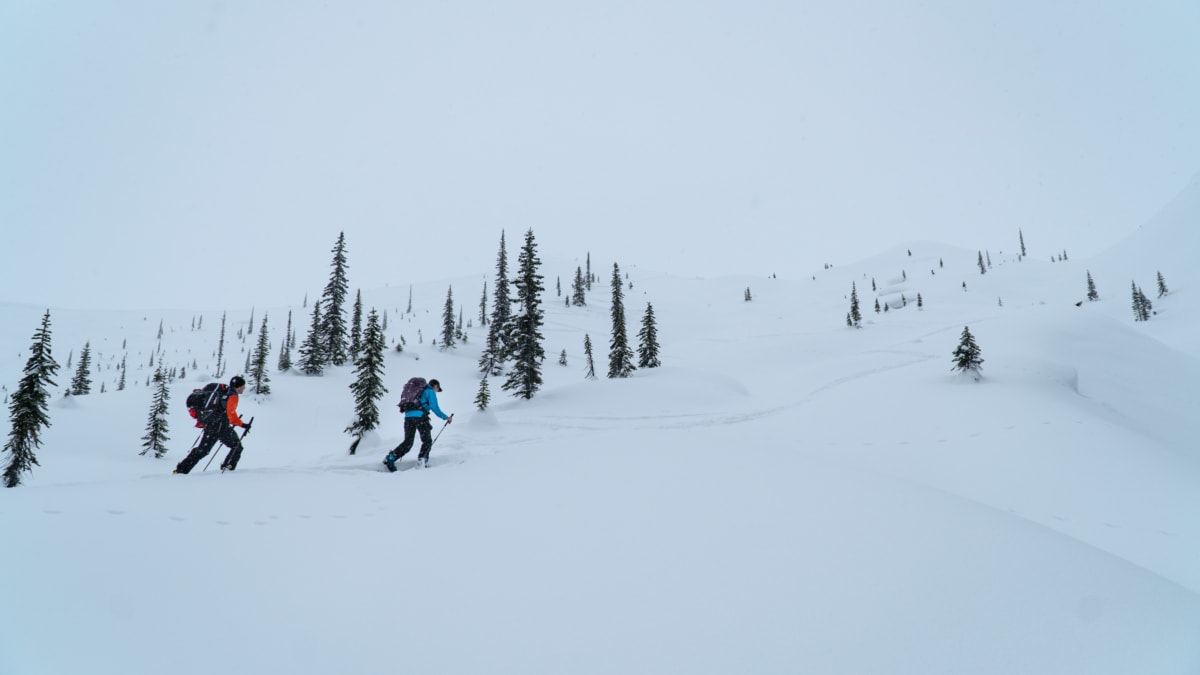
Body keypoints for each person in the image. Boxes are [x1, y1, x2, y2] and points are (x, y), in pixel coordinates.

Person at [174, 375, 252, 474]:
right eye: (243, 386)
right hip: (221, 426)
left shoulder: (224, 393)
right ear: (238, 386)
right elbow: (231, 414)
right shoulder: (232, 396)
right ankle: (228, 467)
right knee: (236, 446)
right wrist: (243, 424)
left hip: (211, 424)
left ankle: (181, 469)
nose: (244, 388)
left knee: (203, 450)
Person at [384, 378, 452, 471]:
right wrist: (446, 417)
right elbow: (434, 407)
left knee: (408, 442)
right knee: (427, 440)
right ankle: (422, 461)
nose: (437, 392)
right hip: (420, 417)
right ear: (435, 386)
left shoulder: (417, 391)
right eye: (437, 389)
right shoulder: (430, 391)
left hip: (408, 417)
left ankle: (390, 458)